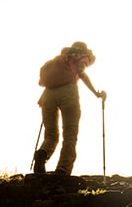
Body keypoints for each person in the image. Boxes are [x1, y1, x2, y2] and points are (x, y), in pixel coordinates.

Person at [32, 41, 106, 175]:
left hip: (48, 94)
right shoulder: (82, 56)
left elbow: (51, 82)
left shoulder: (62, 58)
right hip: (68, 93)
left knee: (50, 134)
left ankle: (42, 153)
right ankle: (63, 169)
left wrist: (43, 98)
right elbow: (81, 73)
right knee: (70, 134)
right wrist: (96, 93)